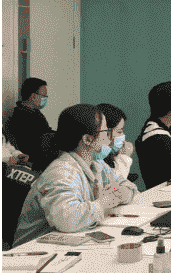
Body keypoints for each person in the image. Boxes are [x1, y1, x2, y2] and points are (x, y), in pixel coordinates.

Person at [13, 104, 137, 247]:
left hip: (67, 243)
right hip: (33, 252)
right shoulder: (61, 171)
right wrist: (105, 202)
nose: (110, 138)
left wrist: (121, 193)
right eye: (105, 132)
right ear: (87, 139)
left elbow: (130, 187)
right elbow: (67, 220)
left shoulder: (97, 164)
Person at [4, 78, 58, 170]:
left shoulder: (36, 113)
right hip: (32, 163)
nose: (45, 98)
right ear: (33, 96)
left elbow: (47, 132)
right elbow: (32, 143)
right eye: (44, 95)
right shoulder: (19, 116)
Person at [96, 104, 135, 179]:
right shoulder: (95, 159)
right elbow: (115, 182)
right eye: (119, 131)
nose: (123, 136)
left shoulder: (107, 157)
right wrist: (124, 157)